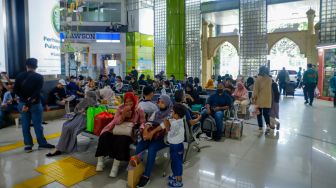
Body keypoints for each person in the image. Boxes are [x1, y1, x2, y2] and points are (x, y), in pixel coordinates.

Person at [95, 92, 145, 177]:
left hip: (129, 132)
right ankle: (100, 162)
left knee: (122, 140)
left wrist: (141, 129)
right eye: (126, 102)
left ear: (134, 100)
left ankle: (115, 167)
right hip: (116, 129)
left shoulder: (139, 109)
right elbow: (115, 121)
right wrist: (123, 116)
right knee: (104, 136)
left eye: (130, 101)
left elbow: (143, 122)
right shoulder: (120, 108)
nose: (128, 103)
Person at [14, 58, 55, 152]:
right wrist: (29, 102)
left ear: (26, 66)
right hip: (35, 104)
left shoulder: (19, 76)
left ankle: (28, 145)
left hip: (22, 104)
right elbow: (37, 92)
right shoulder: (39, 77)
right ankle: (42, 144)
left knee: (25, 125)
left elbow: (16, 90)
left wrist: (25, 102)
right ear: (36, 66)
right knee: (38, 125)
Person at [45, 91, 98, 157]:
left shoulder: (85, 100)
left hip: (80, 119)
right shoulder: (96, 103)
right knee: (68, 127)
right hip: (86, 121)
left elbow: (76, 110)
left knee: (66, 126)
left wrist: (80, 110)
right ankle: (61, 147)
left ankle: (59, 148)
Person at [136, 95, 172, 187]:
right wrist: (145, 131)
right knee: (140, 145)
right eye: (159, 102)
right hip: (153, 135)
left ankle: (146, 176)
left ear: (167, 103)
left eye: (162, 102)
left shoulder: (171, 113)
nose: (160, 104)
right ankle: (136, 168)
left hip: (164, 138)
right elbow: (149, 122)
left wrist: (151, 133)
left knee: (152, 148)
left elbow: (164, 125)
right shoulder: (157, 112)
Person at [162, 104, 186, 187]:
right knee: (174, 161)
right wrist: (169, 119)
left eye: (172, 112)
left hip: (176, 146)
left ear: (176, 115)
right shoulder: (180, 120)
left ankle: (178, 180)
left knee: (177, 163)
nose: (171, 113)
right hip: (177, 145)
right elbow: (172, 121)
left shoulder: (176, 124)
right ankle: (175, 175)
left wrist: (165, 123)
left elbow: (169, 130)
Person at [253, 66, 272, 133]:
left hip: (259, 99)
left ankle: (260, 127)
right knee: (266, 114)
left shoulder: (258, 79)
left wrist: (254, 99)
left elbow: (255, 91)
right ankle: (268, 126)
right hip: (268, 99)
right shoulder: (270, 79)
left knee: (259, 113)